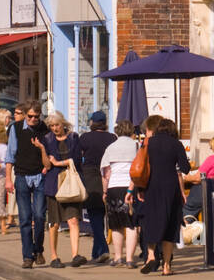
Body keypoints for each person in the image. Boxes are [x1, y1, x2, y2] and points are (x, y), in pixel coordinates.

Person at [139, 115, 191, 276]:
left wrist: (138, 189)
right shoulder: (176, 144)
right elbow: (185, 168)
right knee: (170, 225)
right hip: (171, 188)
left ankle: (151, 256)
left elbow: (142, 166)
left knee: (151, 221)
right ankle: (167, 266)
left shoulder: (148, 143)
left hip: (151, 187)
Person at [7, 101, 49, 268]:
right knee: (25, 219)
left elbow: (49, 155)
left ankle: (38, 249)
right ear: (25, 115)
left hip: (40, 175)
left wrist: (46, 167)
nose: (33, 119)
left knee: (39, 216)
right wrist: (7, 179)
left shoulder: (44, 129)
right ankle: (27, 256)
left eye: (36, 117)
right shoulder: (15, 128)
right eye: (30, 116)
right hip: (22, 176)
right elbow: (10, 155)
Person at [40, 111, 84, 268]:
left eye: (57, 125)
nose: (54, 128)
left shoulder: (74, 137)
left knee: (73, 220)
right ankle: (54, 256)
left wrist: (59, 163)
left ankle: (75, 255)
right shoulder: (47, 139)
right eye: (51, 126)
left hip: (71, 183)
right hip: (54, 185)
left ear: (63, 123)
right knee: (55, 223)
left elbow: (78, 160)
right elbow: (46, 164)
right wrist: (42, 150)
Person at [100, 120, 140, 267]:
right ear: (131, 132)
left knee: (116, 224)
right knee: (131, 224)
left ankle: (118, 257)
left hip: (113, 187)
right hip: (130, 187)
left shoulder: (110, 147)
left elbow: (106, 172)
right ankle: (130, 258)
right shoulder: (137, 146)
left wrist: (104, 191)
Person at [78, 111, 115, 264]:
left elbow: (78, 155)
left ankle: (104, 248)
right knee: (100, 213)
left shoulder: (85, 137)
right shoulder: (112, 138)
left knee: (94, 213)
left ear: (92, 122)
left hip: (90, 174)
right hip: (107, 174)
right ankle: (96, 252)